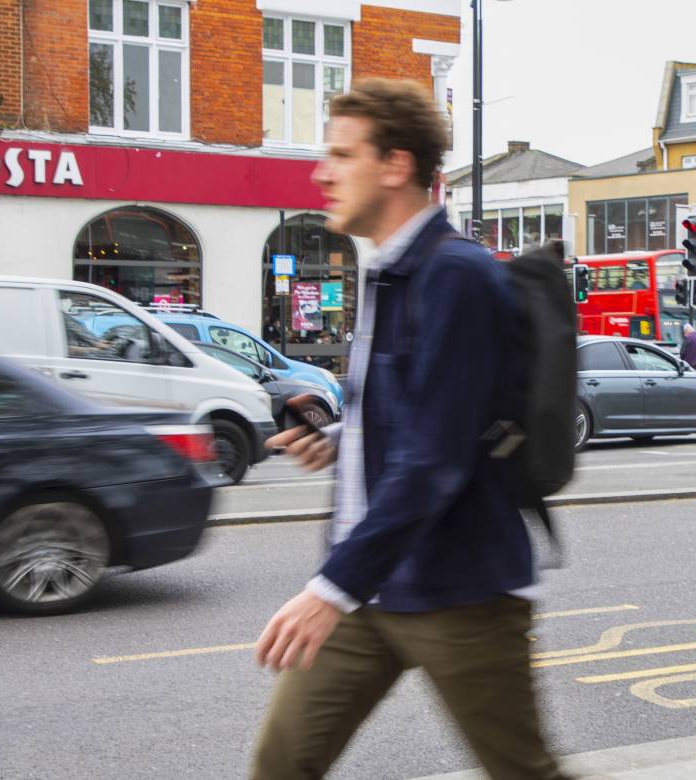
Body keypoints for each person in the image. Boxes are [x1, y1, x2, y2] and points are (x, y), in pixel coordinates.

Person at [249, 79, 566, 780]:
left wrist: (328, 588)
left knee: (524, 773)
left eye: (340, 154)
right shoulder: (388, 272)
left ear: (395, 166)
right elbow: (414, 422)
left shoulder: (456, 275)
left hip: (459, 592)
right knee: (280, 764)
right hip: (371, 587)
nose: (321, 173)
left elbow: (435, 458)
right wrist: (335, 443)